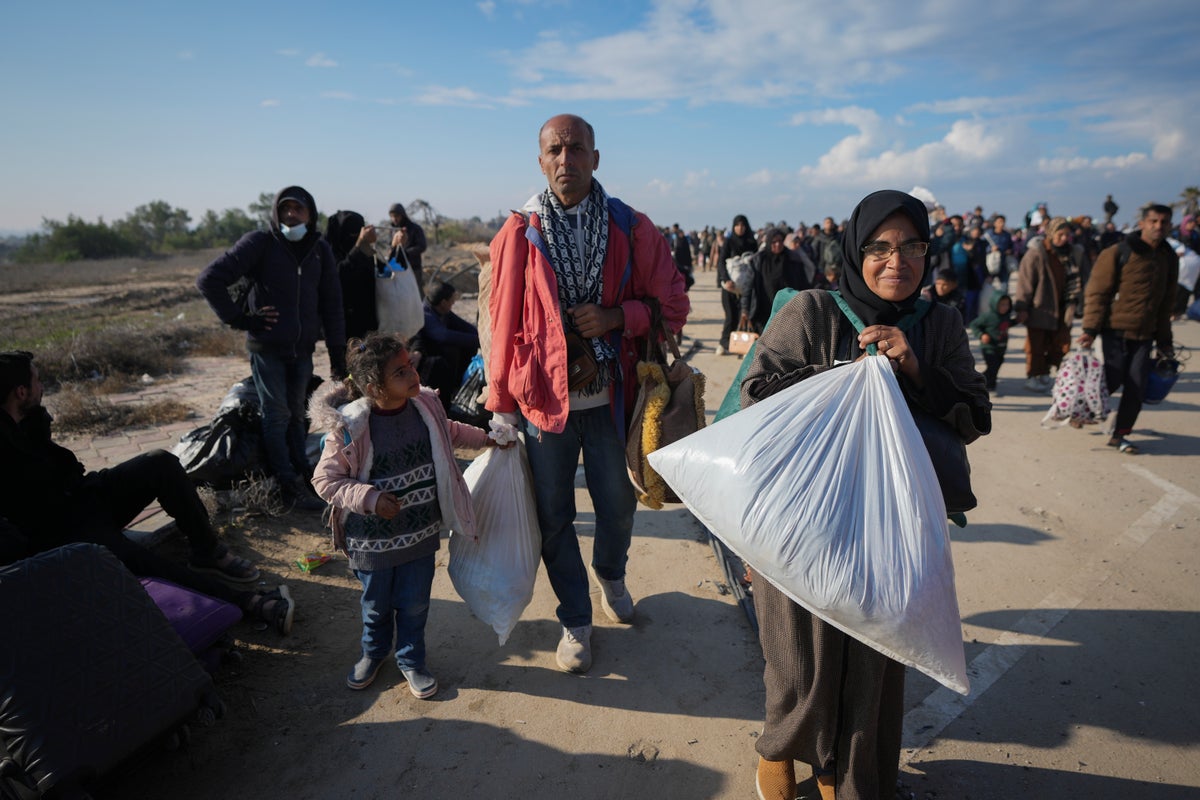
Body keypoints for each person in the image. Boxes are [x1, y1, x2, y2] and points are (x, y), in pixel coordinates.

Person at [739, 190, 990, 800]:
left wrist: (915, 373)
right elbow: (753, 393)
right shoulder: (811, 310)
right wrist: (834, 377)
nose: (894, 260)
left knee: (874, 656)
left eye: (910, 246)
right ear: (854, 251)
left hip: (891, 524)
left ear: (927, 253)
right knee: (801, 652)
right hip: (804, 514)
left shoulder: (940, 324)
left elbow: (974, 416)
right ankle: (783, 749)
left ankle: (845, 773)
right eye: (878, 247)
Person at [486, 113, 688, 674]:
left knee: (619, 506)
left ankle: (611, 574)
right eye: (555, 150)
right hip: (544, 407)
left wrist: (616, 317)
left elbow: (673, 306)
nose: (565, 160)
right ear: (540, 159)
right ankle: (575, 618)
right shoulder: (519, 233)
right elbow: (500, 320)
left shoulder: (633, 227)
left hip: (613, 402)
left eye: (576, 149)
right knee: (553, 515)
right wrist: (501, 403)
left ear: (596, 158)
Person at [0, 351, 295, 634]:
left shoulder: (25, 421)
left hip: (83, 496)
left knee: (159, 462)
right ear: (21, 392)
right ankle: (249, 603)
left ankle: (206, 552)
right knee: (139, 558)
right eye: (36, 380)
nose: (42, 387)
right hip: (65, 533)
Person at [310, 333, 497, 697]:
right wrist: (370, 496)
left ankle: (411, 660)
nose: (413, 375)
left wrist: (489, 438)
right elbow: (325, 480)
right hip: (372, 543)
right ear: (372, 386)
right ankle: (374, 652)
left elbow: (450, 432)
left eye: (410, 365)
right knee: (376, 607)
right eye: (400, 372)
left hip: (420, 536)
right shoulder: (350, 427)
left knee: (414, 604)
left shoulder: (425, 406)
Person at [197, 186, 346, 512]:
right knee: (276, 415)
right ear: (276, 213)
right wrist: (242, 319)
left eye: (298, 209)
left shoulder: (320, 250)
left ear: (311, 213)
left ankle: (302, 474)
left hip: (302, 350)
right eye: (285, 209)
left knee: (297, 414)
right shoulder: (259, 243)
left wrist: (338, 357)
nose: (291, 215)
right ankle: (287, 482)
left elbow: (333, 304)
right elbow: (209, 279)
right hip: (267, 348)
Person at [1079, 203, 1178, 454]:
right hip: (1114, 329)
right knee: (1111, 379)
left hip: (1145, 334)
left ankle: (1120, 435)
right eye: (1153, 221)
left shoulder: (1169, 257)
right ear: (1142, 223)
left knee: (1136, 385)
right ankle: (1083, 409)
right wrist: (1090, 329)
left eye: (1164, 222)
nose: (1158, 226)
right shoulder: (1118, 252)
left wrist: (1165, 341)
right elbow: (1097, 293)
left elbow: (1166, 303)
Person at [1013, 217, 1083, 394]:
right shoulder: (1036, 253)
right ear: (1051, 233)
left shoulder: (1072, 254)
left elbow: (1080, 280)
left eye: (1067, 234)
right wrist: (1022, 308)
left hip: (1063, 308)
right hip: (1040, 308)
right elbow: (1025, 282)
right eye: (1060, 234)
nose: (1064, 238)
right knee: (1036, 345)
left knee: (1060, 343)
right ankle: (1034, 376)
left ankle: (1046, 373)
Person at [410, 280, 481, 414]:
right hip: (427, 361)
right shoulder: (426, 314)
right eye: (451, 302)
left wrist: (481, 336)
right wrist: (480, 341)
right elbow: (443, 336)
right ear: (443, 302)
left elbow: (464, 327)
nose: (453, 305)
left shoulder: (440, 310)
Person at [740, 227, 813, 333]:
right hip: (763, 311)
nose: (777, 244)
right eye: (774, 242)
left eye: (780, 241)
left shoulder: (793, 259)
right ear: (769, 242)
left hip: (788, 310)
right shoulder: (758, 260)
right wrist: (745, 309)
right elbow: (748, 286)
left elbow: (803, 284)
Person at [326, 210, 381, 341]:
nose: (355, 237)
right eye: (352, 234)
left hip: (369, 325)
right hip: (342, 326)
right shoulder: (328, 254)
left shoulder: (364, 252)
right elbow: (340, 275)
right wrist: (359, 245)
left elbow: (383, 273)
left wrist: (397, 247)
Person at [716, 214, 758, 355]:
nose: (740, 228)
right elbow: (721, 262)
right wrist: (726, 279)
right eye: (737, 225)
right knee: (731, 316)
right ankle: (724, 343)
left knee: (746, 315)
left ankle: (743, 346)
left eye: (743, 225)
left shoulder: (752, 243)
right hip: (730, 287)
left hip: (747, 288)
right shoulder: (729, 242)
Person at [969, 291, 1014, 394]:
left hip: (1001, 347)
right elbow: (974, 325)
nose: (1005, 307)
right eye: (1002, 304)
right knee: (992, 366)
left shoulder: (1006, 316)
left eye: (1007, 304)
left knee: (997, 365)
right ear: (995, 304)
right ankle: (978, 380)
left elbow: (1007, 324)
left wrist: (1017, 321)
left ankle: (991, 384)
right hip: (989, 347)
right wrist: (981, 335)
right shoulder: (987, 316)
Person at [387, 203, 428, 294]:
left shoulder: (415, 228)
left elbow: (422, 246)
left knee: (416, 293)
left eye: (396, 216)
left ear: (402, 215)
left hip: (413, 267)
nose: (394, 219)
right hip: (397, 268)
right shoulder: (392, 230)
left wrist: (405, 253)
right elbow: (390, 245)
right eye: (392, 216)